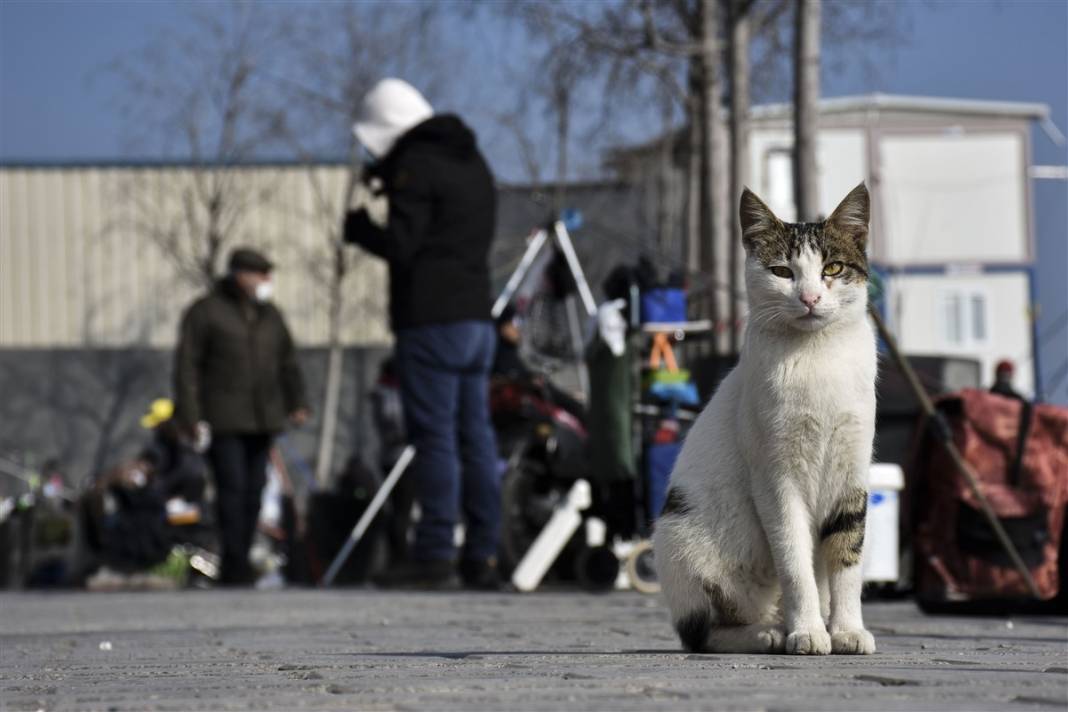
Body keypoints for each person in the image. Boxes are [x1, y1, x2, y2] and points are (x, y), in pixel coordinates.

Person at [344, 78, 500, 589]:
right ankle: (483, 552)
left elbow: (405, 244)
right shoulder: (472, 162)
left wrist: (361, 228)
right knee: (476, 438)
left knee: (434, 438)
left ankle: (434, 551)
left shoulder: (417, 166)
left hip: (431, 322)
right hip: (478, 320)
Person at [173, 248, 309, 586]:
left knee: (254, 491)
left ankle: (242, 556)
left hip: (264, 419)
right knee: (231, 490)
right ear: (240, 275)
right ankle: (234, 563)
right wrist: (191, 415)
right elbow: (186, 366)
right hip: (224, 419)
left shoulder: (270, 316)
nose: (266, 282)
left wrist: (297, 401)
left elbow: (287, 362)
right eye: (260, 275)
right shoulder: (207, 312)